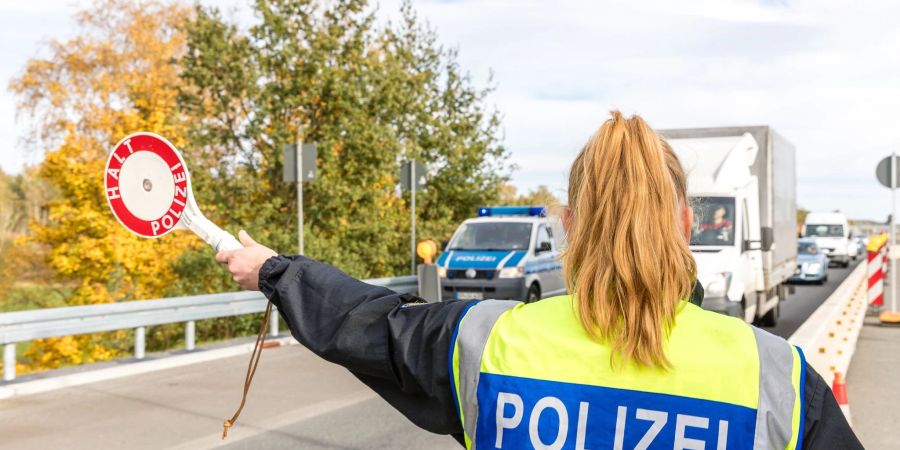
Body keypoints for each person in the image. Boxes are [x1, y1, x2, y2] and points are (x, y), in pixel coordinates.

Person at [216, 111, 861, 449]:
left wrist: (275, 271)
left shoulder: (486, 344)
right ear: (685, 222)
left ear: (572, 227)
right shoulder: (776, 380)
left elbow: (369, 323)